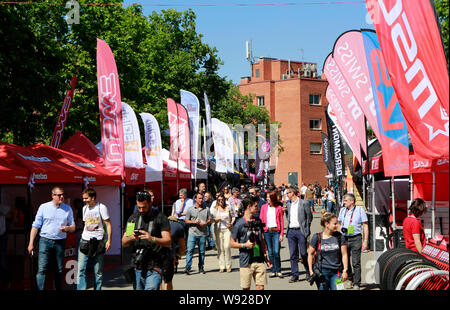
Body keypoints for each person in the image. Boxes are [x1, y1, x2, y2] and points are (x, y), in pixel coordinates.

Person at [121, 190, 171, 290]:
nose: (141, 210)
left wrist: (152, 238)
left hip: (155, 265)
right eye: (139, 207)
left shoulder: (160, 218)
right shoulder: (133, 219)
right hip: (138, 266)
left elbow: (168, 241)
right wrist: (131, 237)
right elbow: (124, 242)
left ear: (150, 203)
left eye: (144, 207)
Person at [27, 186, 75, 290]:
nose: (62, 197)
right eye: (59, 195)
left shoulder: (68, 209)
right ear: (53, 196)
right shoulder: (43, 207)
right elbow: (35, 226)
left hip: (60, 242)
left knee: (59, 269)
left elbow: (73, 227)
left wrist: (68, 228)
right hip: (45, 241)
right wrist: (31, 243)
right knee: (42, 269)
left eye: (62, 194)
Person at [230, 197, 272, 290]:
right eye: (256, 206)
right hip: (246, 261)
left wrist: (266, 258)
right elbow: (231, 243)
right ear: (249, 206)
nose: (258, 208)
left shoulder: (258, 221)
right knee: (246, 288)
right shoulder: (239, 223)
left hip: (259, 259)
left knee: (260, 287)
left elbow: (262, 239)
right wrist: (244, 245)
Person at [77, 188, 112, 290]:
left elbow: (108, 224)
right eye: (83, 198)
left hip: (98, 242)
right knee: (81, 270)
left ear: (93, 197)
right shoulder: (84, 208)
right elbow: (86, 224)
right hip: (84, 240)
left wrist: (109, 240)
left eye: (86, 198)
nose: (84, 200)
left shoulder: (101, 207)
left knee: (98, 271)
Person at [307, 212, 349, 290]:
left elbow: (344, 254)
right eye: (335, 224)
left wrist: (345, 270)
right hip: (322, 272)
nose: (337, 226)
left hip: (337, 272)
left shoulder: (340, 237)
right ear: (327, 224)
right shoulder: (317, 237)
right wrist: (311, 271)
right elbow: (310, 254)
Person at [337, 193, 369, 290]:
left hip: (356, 238)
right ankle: (350, 278)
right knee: (344, 261)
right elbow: (338, 223)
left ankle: (357, 283)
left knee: (356, 262)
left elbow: (365, 226)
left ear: (352, 201)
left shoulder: (360, 210)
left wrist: (365, 240)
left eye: (346, 200)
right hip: (344, 238)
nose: (344, 202)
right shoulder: (342, 210)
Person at [285, 186, 312, 283]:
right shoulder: (288, 204)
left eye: (288, 193)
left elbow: (309, 217)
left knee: (304, 253)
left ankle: (308, 271)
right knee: (293, 254)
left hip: (301, 231)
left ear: (293, 193)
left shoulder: (304, 203)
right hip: (291, 231)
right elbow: (288, 216)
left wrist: (306, 230)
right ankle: (295, 275)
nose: (287, 195)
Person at [184, 192, 212, 274]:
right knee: (190, 250)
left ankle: (201, 267)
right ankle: (188, 267)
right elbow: (186, 220)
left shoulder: (206, 209)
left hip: (202, 233)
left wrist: (206, 223)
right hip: (192, 232)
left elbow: (210, 219)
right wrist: (194, 222)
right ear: (195, 199)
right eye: (199, 198)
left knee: (202, 252)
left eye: (202, 198)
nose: (201, 200)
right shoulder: (191, 209)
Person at [259, 191, 284, 278]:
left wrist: (281, 234)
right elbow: (261, 220)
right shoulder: (263, 207)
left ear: (272, 198)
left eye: (268, 197)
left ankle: (279, 270)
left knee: (276, 251)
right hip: (267, 232)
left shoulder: (279, 208)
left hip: (276, 231)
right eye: (266, 197)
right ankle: (273, 270)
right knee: (270, 252)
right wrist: (262, 232)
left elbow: (281, 221)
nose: (267, 199)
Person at [211, 193, 235, 272]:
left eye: (222, 200)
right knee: (220, 248)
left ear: (224, 200)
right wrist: (219, 218)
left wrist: (231, 223)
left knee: (226, 247)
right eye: (219, 200)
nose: (221, 201)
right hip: (218, 229)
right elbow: (212, 219)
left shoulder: (228, 207)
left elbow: (233, 216)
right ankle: (222, 266)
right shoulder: (215, 208)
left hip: (227, 229)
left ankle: (228, 265)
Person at [164, 216, 186, 290]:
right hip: (169, 256)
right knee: (168, 281)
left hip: (153, 255)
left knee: (158, 279)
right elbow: (183, 247)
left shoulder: (133, 219)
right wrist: (178, 255)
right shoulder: (178, 226)